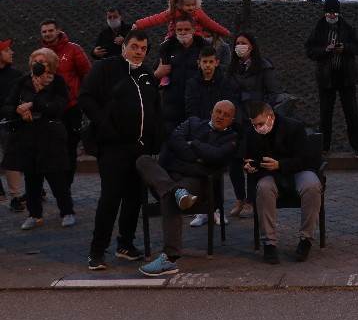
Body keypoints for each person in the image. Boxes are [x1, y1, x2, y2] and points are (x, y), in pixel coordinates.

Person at [80, 29, 164, 270]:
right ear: (124, 46)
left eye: (144, 49)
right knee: (110, 198)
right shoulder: (104, 68)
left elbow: (155, 108)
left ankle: (125, 244)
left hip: (140, 149)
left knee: (134, 198)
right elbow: (86, 98)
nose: (139, 52)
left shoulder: (147, 74)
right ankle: (97, 251)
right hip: (113, 148)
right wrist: (106, 124)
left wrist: (155, 140)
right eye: (135, 47)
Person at [136, 100, 240, 276]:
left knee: (171, 197)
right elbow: (174, 140)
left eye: (226, 115)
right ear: (211, 111)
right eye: (218, 111)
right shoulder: (192, 122)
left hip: (196, 185)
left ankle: (169, 258)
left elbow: (216, 156)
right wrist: (199, 159)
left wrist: (193, 144)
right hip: (168, 179)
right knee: (143, 161)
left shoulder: (231, 139)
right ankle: (176, 191)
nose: (221, 116)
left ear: (232, 119)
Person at [1, 48, 76, 230]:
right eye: (35, 60)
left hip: (51, 137)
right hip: (27, 137)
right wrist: (18, 110)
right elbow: (8, 105)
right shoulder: (22, 81)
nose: (38, 64)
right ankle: (35, 214)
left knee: (57, 178)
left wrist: (35, 104)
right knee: (31, 180)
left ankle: (67, 211)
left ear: (50, 64)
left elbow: (59, 107)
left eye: (42, 61)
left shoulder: (57, 82)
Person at [244, 102, 322, 264]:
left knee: (312, 186)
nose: (258, 128)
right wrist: (248, 165)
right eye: (254, 125)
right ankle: (269, 243)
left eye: (260, 124)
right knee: (264, 188)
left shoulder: (294, 127)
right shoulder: (252, 133)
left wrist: (280, 164)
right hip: (268, 174)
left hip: (297, 169)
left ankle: (306, 239)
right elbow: (246, 155)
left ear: (270, 117)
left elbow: (307, 159)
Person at [184, 46, 245, 223]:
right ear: (199, 63)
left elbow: (230, 108)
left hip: (222, 133)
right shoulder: (192, 83)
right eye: (205, 62)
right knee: (201, 169)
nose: (208, 65)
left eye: (211, 62)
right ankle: (203, 210)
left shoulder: (225, 83)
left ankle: (216, 209)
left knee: (217, 171)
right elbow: (191, 109)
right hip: (201, 131)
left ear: (217, 62)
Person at [305, 0, 358, 156]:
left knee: (351, 112)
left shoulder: (348, 27)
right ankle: (324, 147)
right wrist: (326, 50)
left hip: (346, 77)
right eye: (329, 13)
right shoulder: (318, 28)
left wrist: (344, 48)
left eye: (335, 13)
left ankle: (357, 146)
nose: (332, 16)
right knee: (325, 113)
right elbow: (310, 50)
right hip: (326, 77)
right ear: (325, 13)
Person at [39, 19, 90, 197]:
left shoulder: (73, 49)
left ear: (58, 30)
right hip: (48, 109)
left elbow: (87, 74)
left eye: (50, 30)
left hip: (71, 108)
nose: (47, 34)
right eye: (44, 31)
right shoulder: (40, 54)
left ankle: (65, 187)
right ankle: (49, 186)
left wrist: (81, 98)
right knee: (46, 149)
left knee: (69, 148)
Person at [156, 17, 207, 136]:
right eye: (179, 30)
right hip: (172, 106)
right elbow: (156, 73)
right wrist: (158, 73)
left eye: (186, 29)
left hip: (197, 104)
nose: (183, 32)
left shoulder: (203, 48)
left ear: (193, 30)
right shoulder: (167, 48)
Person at [134, 0, 230, 39]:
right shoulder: (174, 12)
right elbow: (156, 19)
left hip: (195, 36)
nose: (191, 8)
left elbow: (209, 23)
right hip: (175, 37)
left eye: (193, 5)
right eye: (187, 5)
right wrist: (138, 24)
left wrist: (224, 32)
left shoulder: (198, 12)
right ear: (180, 5)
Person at [0, 38, 26, 210]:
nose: (12, 52)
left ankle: (16, 197)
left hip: (9, 122)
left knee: (11, 159)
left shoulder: (16, 75)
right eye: (7, 50)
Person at [228, 32, 278, 108]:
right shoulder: (232, 67)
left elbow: (272, 94)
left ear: (251, 46)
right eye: (237, 43)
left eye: (243, 43)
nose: (240, 46)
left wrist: (261, 110)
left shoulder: (264, 67)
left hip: (256, 111)